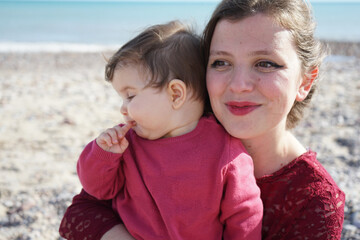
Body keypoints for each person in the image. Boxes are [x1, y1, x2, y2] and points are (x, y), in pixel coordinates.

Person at [59, 0, 346, 239]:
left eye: (266, 63)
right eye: (221, 62)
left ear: (305, 81)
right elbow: (80, 212)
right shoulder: (173, 128)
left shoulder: (314, 202)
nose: (239, 84)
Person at [71, 20, 263, 240]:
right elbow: (98, 189)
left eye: (130, 96)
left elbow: (245, 215)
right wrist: (103, 153)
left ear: (175, 95)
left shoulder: (225, 151)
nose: (123, 108)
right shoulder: (129, 145)